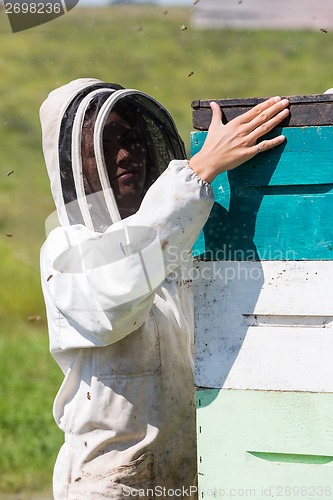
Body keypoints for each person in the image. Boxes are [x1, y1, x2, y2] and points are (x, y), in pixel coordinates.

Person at [39, 78, 289, 499]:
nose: (126, 155)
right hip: (109, 482)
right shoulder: (67, 251)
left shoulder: (178, 239)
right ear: (72, 166)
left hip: (192, 476)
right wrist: (198, 172)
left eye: (134, 140)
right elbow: (114, 297)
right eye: (106, 144)